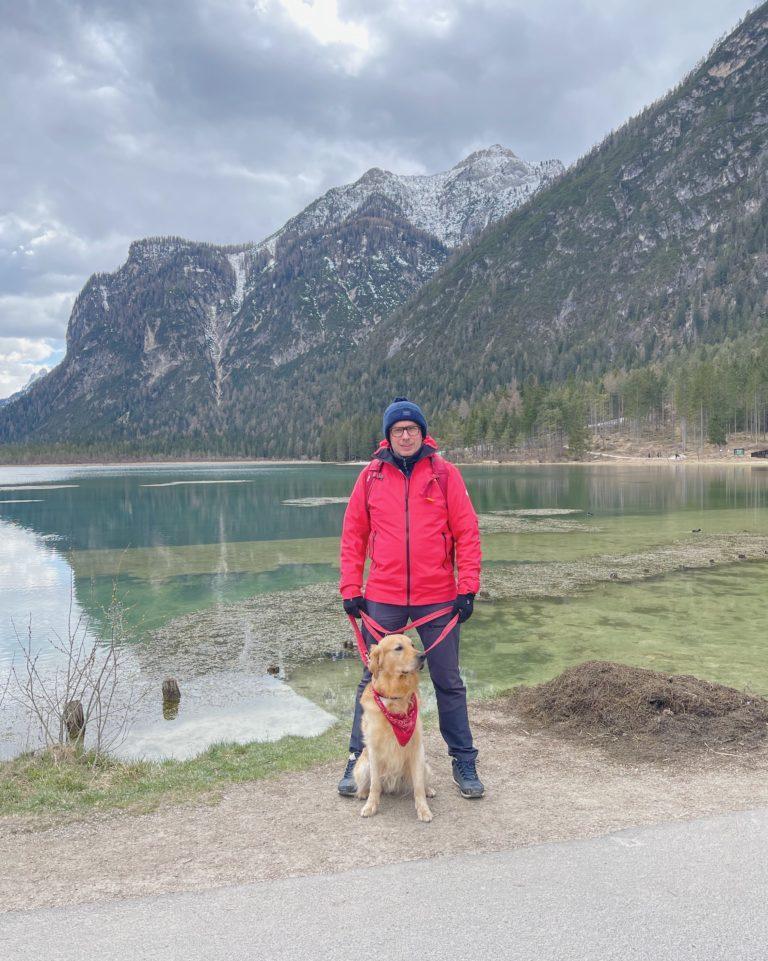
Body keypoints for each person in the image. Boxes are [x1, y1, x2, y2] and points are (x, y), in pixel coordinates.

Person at [337, 397, 484, 799]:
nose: (406, 436)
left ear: (423, 433)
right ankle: (357, 757)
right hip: (382, 596)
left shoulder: (445, 474)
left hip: (437, 596)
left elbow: (467, 533)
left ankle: (463, 758)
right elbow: (354, 536)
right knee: (373, 678)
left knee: (448, 680)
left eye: (412, 430)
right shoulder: (370, 477)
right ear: (388, 436)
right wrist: (351, 588)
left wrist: (467, 587)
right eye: (398, 430)